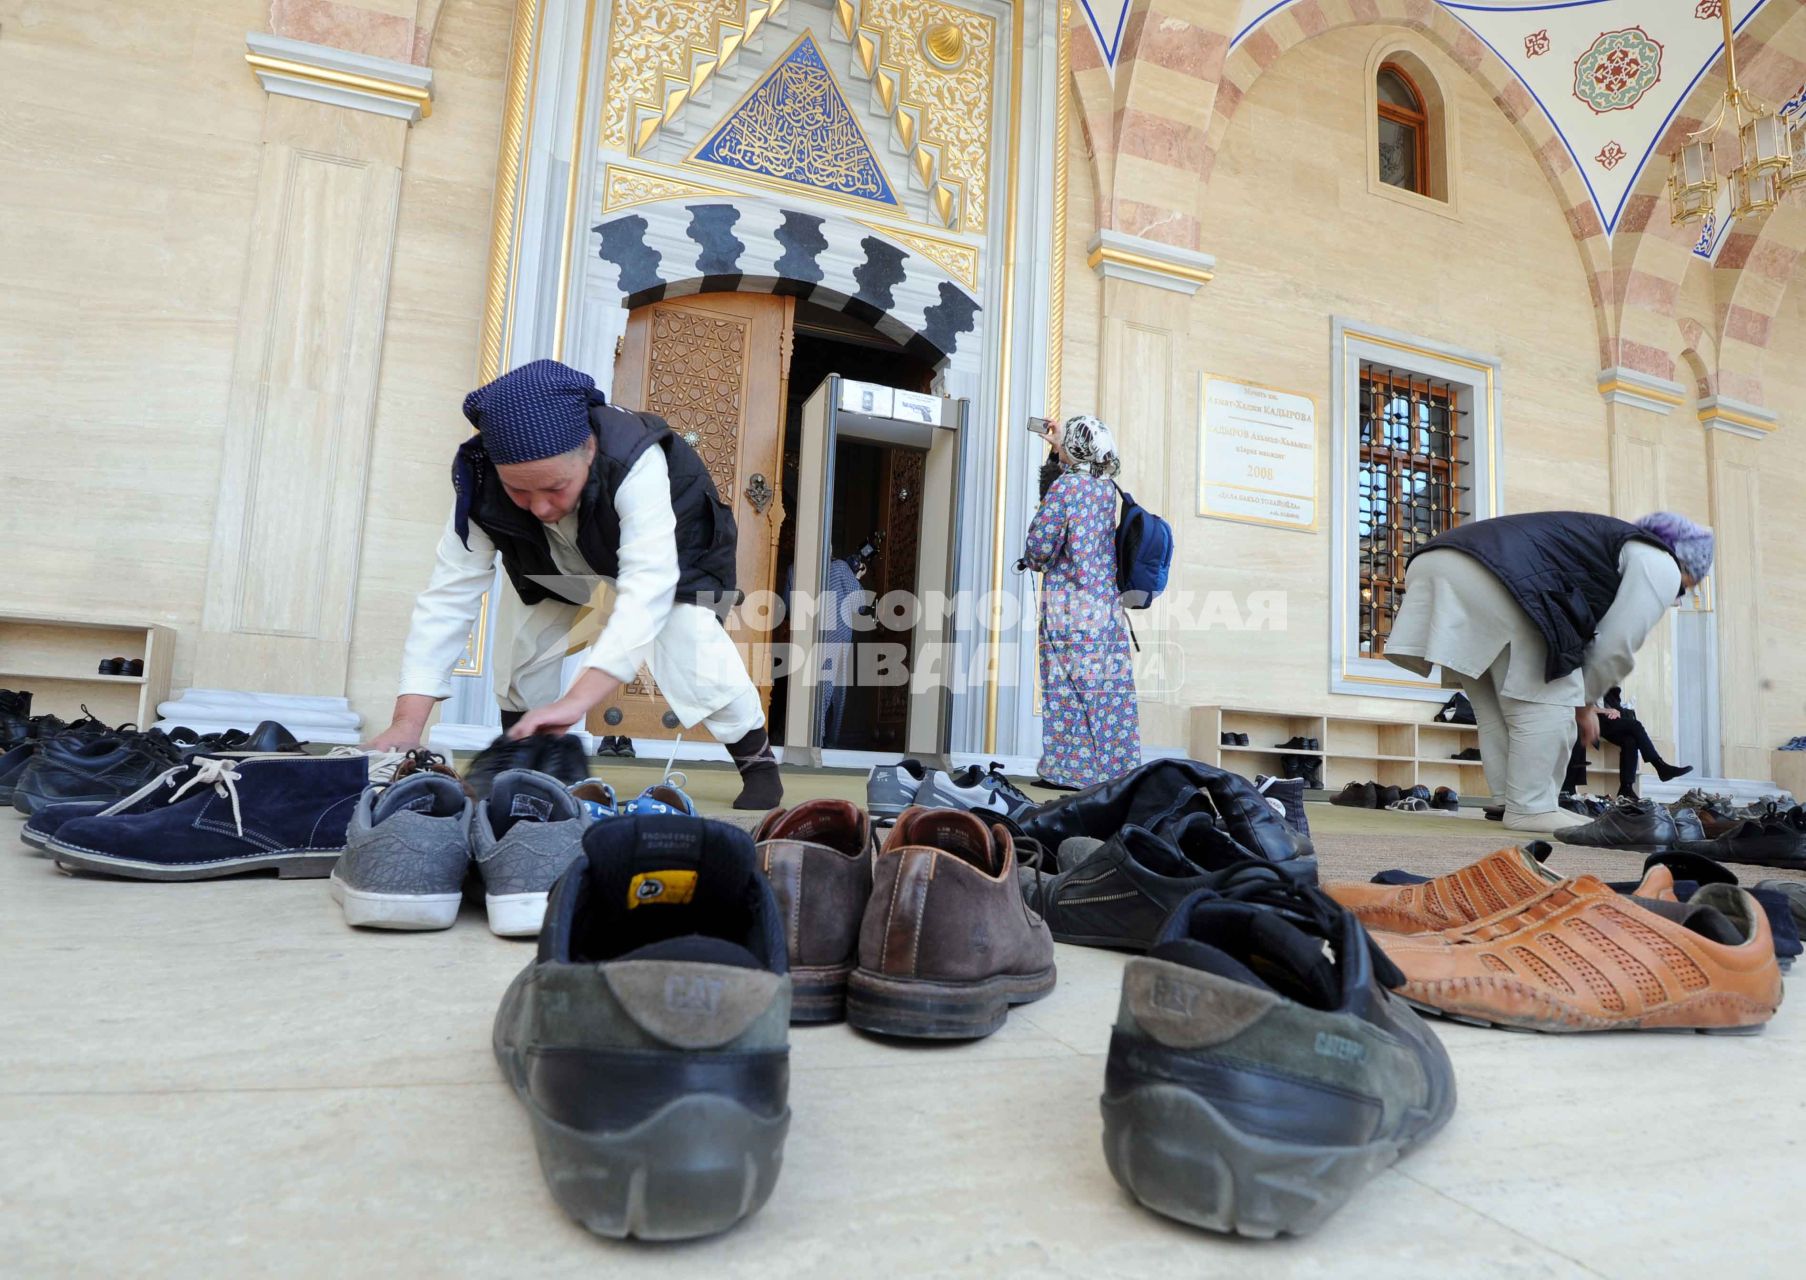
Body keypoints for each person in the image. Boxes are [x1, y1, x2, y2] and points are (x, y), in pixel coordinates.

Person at [370, 359, 782, 809]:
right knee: (522, 641)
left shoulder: (632, 457)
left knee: (689, 641)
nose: (541, 507)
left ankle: (757, 763)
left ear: (588, 449)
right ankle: (524, 758)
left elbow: (648, 586)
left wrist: (577, 701)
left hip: (672, 555)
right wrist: (407, 723)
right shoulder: (481, 481)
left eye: (555, 488)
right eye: (520, 492)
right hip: (554, 562)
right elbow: (448, 597)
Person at [1385, 509, 1713, 832]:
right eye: (1685, 588)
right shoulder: (1660, 560)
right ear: (1685, 563)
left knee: (1494, 708)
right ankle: (1531, 808)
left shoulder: (1607, 543)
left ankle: (1509, 800)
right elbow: (1617, 643)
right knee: (1550, 696)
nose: (1677, 597)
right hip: (1498, 574)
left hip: (1438, 561)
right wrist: (1585, 704)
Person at [1023, 415, 1141, 789]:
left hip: (1069, 609)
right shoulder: (1106, 490)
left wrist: (1033, 558)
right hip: (1105, 609)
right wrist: (1056, 454)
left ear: (1076, 445)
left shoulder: (1066, 489)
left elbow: (1040, 549)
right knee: (1108, 693)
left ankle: (1068, 771)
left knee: (1067, 688)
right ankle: (1115, 773)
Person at [1562, 685, 1692, 798]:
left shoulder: (1606, 680)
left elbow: (1612, 702)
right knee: (1635, 725)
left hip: (1604, 719)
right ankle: (1660, 766)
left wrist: (1615, 711)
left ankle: (1626, 788)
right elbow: (1578, 706)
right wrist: (1605, 711)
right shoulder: (1584, 676)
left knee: (1630, 740)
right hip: (1588, 719)